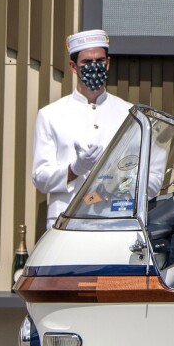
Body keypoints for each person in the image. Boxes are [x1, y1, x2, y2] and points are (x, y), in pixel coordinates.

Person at [30, 30, 133, 229]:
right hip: (66, 221)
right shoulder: (51, 115)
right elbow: (40, 178)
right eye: (86, 62)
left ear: (108, 63)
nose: (94, 66)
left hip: (116, 221)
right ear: (73, 66)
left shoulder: (129, 113)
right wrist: (74, 170)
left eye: (100, 60)